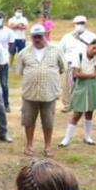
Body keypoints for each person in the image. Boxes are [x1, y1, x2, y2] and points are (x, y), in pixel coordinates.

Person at [17, 25, 65, 157]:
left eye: (40, 36)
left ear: (45, 36)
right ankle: (29, 145)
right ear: (31, 37)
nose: (37, 39)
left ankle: (48, 146)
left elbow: (62, 68)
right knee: (28, 121)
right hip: (30, 93)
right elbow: (20, 71)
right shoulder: (24, 52)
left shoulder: (56, 50)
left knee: (48, 121)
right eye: (34, 37)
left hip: (49, 93)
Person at [59, 39, 96, 147]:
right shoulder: (79, 56)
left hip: (93, 87)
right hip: (81, 87)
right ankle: (66, 139)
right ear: (89, 46)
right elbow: (76, 74)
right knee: (77, 113)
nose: (95, 51)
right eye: (93, 48)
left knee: (89, 112)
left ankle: (87, 137)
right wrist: (91, 75)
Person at [58, 15, 96, 113]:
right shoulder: (67, 37)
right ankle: (67, 104)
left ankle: (83, 104)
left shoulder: (92, 36)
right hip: (70, 63)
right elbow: (60, 51)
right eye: (78, 23)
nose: (80, 25)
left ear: (85, 24)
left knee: (83, 85)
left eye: (82, 23)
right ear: (74, 24)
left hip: (85, 63)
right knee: (67, 85)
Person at [0, 12, 15, 111]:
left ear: (4, 19)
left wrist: (8, 56)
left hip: (3, 61)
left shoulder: (9, 32)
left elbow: (11, 45)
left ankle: (6, 104)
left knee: (4, 84)